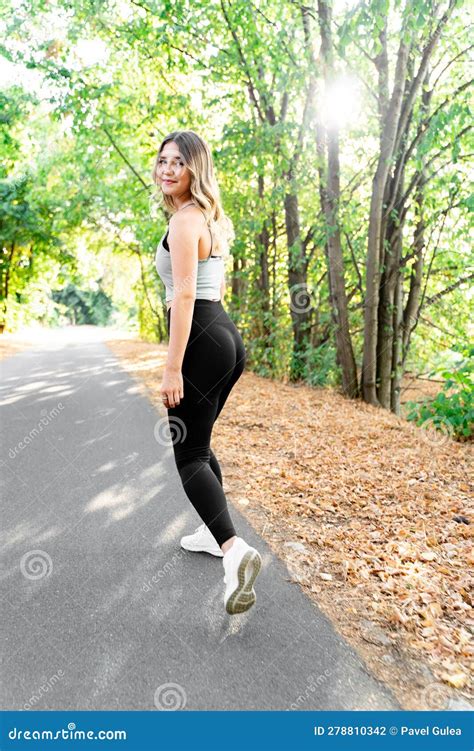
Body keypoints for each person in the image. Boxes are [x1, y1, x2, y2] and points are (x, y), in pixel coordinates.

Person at [152, 130, 262, 615]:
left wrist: (173, 365)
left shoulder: (183, 221)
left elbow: (184, 295)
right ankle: (211, 533)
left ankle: (235, 553)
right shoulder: (207, 218)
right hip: (225, 338)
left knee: (189, 454)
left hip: (200, 337)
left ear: (196, 169)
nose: (168, 169)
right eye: (162, 161)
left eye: (179, 162)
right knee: (202, 440)